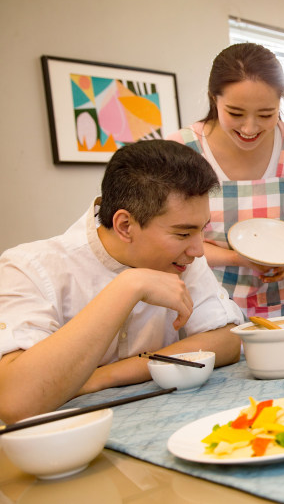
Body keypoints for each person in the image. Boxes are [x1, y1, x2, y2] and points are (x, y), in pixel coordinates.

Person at [0, 140, 245, 424]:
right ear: (125, 226)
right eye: (182, 234)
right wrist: (129, 285)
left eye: (201, 230)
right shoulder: (29, 267)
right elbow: (14, 401)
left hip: (161, 422)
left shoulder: (183, 257)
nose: (198, 250)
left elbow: (227, 340)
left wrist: (105, 376)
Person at [168, 43, 284, 319]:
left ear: (281, 100)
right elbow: (174, 235)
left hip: (282, 303)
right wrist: (238, 259)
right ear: (214, 98)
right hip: (206, 304)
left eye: (266, 114)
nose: (250, 128)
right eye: (235, 113)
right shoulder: (183, 148)